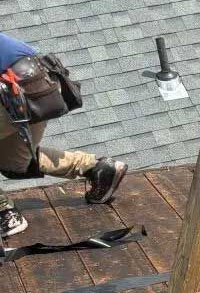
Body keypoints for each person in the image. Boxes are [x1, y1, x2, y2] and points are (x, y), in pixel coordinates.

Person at [0, 31, 126, 238]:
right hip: (41, 92)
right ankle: (96, 168)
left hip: (16, 95)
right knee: (12, 161)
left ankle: (5, 214)